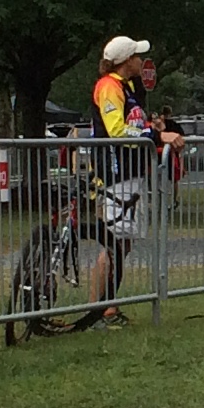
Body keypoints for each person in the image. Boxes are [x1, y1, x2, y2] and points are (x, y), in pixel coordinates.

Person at [87, 36, 161, 321]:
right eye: (137, 56)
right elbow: (116, 131)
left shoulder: (127, 87)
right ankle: (98, 310)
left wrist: (151, 128)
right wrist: (152, 135)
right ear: (126, 60)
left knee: (122, 243)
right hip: (115, 174)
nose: (141, 61)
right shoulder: (109, 86)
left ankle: (107, 306)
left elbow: (133, 124)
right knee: (114, 244)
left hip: (131, 173)